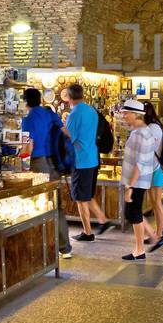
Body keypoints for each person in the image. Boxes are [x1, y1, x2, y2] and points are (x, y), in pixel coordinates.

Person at [21, 88, 72, 258]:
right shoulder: (49, 113)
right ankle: (65, 248)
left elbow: (29, 145)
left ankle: (40, 248)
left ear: (25, 100)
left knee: (38, 204)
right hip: (54, 163)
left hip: (38, 163)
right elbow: (66, 132)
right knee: (57, 205)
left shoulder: (28, 119)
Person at [65, 83, 112, 241]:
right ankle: (102, 220)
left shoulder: (74, 114)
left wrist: (59, 129)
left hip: (81, 160)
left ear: (69, 98)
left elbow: (70, 137)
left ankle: (87, 232)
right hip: (93, 157)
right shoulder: (91, 110)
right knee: (87, 194)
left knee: (80, 198)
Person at [119, 99, 163, 261]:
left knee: (134, 213)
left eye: (126, 113)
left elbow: (141, 162)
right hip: (135, 180)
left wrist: (130, 185)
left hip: (138, 181)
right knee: (133, 213)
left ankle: (139, 249)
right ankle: (152, 238)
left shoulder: (144, 134)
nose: (123, 116)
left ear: (135, 114)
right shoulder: (137, 132)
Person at [142, 101, 163, 241]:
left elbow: (147, 147)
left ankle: (159, 234)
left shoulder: (152, 128)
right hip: (153, 168)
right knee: (154, 201)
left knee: (156, 201)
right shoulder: (154, 126)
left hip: (156, 168)